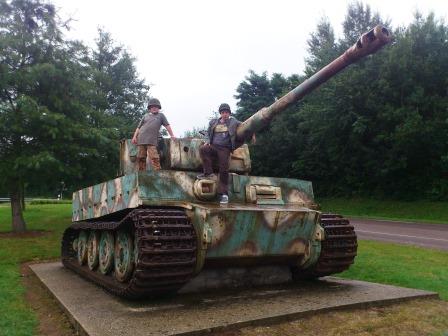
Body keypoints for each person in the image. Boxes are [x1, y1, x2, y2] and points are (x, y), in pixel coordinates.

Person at [197, 103, 242, 204]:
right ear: (220, 113)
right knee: (203, 149)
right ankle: (208, 173)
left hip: (225, 148)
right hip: (214, 146)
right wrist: (207, 141)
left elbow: (245, 125)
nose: (225, 114)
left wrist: (252, 133)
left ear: (229, 113)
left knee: (224, 169)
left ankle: (224, 194)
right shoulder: (214, 122)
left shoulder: (233, 121)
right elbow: (208, 133)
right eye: (223, 112)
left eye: (226, 112)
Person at [131, 98, 176, 171]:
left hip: (151, 140)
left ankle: (157, 171)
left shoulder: (161, 116)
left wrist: (172, 135)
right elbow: (138, 127)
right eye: (152, 106)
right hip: (141, 139)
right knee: (141, 157)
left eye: (156, 106)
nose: (154, 108)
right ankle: (141, 173)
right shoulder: (145, 116)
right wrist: (134, 137)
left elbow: (167, 125)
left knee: (154, 157)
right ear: (149, 108)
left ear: (159, 108)